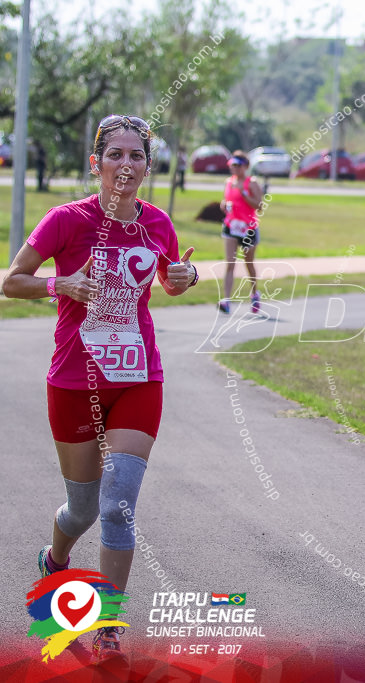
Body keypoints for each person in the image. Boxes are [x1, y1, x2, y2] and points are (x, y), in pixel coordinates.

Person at [1, 114, 198, 662]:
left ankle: (107, 623)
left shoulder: (157, 222)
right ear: (97, 163)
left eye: (137, 156)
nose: (126, 165)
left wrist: (183, 279)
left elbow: (170, 279)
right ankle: (56, 558)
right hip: (74, 380)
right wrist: (57, 284)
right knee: (82, 510)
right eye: (116, 155)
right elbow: (10, 280)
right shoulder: (67, 221)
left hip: (139, 378)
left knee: (117, 508)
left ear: (147, 165)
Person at [219, 150, 264, 314]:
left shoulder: (251, 183)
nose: (234, 168)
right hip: (231, 226)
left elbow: (259, 206)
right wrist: (224, 205)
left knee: (248, 263)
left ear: (245, 166)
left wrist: (245, 194)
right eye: (232, 165)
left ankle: (254, 294)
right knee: (230, 264)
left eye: (238, 165)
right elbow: (228, 200)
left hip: (248, 229)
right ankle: (226, 300)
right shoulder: (229, 182)